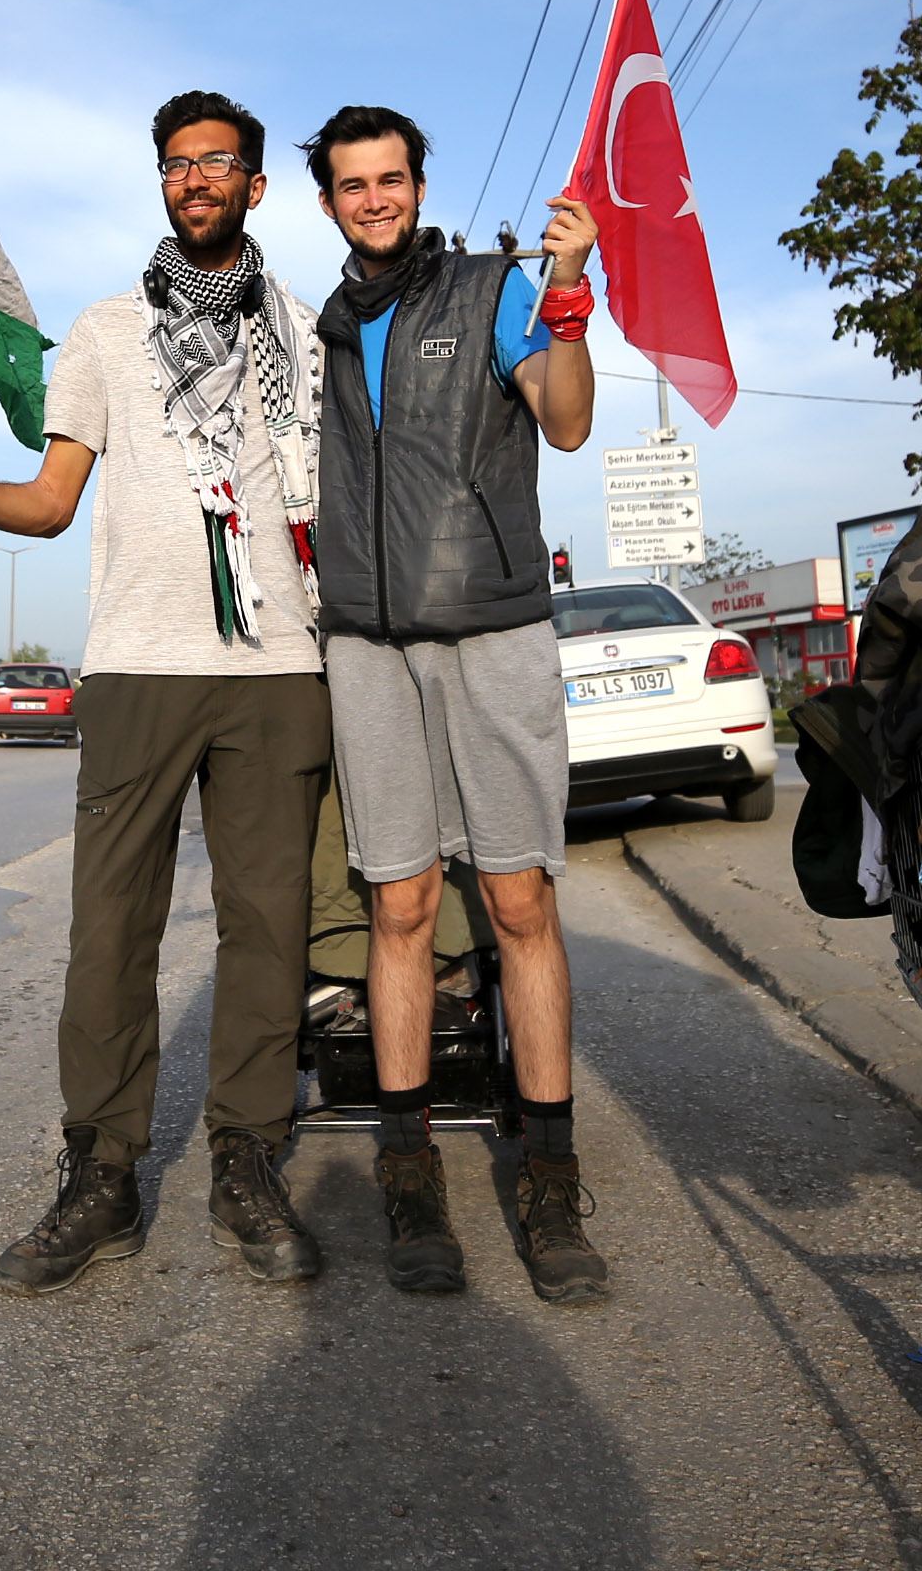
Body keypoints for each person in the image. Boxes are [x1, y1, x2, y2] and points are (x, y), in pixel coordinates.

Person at [0, 90, 334, 1294]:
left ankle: (249, 1160)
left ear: (254, 186)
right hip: (138, 667)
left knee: (267, 934)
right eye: (178, 163)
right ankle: (102, 1172)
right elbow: (48, 504)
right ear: (161, 184)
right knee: (109, 937)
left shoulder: (307, 330)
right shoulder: (101, 333)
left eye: (219, 163)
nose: (197, 178)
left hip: (278, 668)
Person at [298, 102, 608, 1302]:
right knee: (402, 905)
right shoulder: (321, 325)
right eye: (352, 184)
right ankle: (410, 1172)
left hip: (492, 626)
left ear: (420, 185)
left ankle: (549, 1179)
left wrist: (569, 290)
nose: (373, 198)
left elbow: (569, 422)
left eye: (391, 179)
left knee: (520, 900)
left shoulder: (496, 289)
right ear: (328, 201)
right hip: (368, 643)